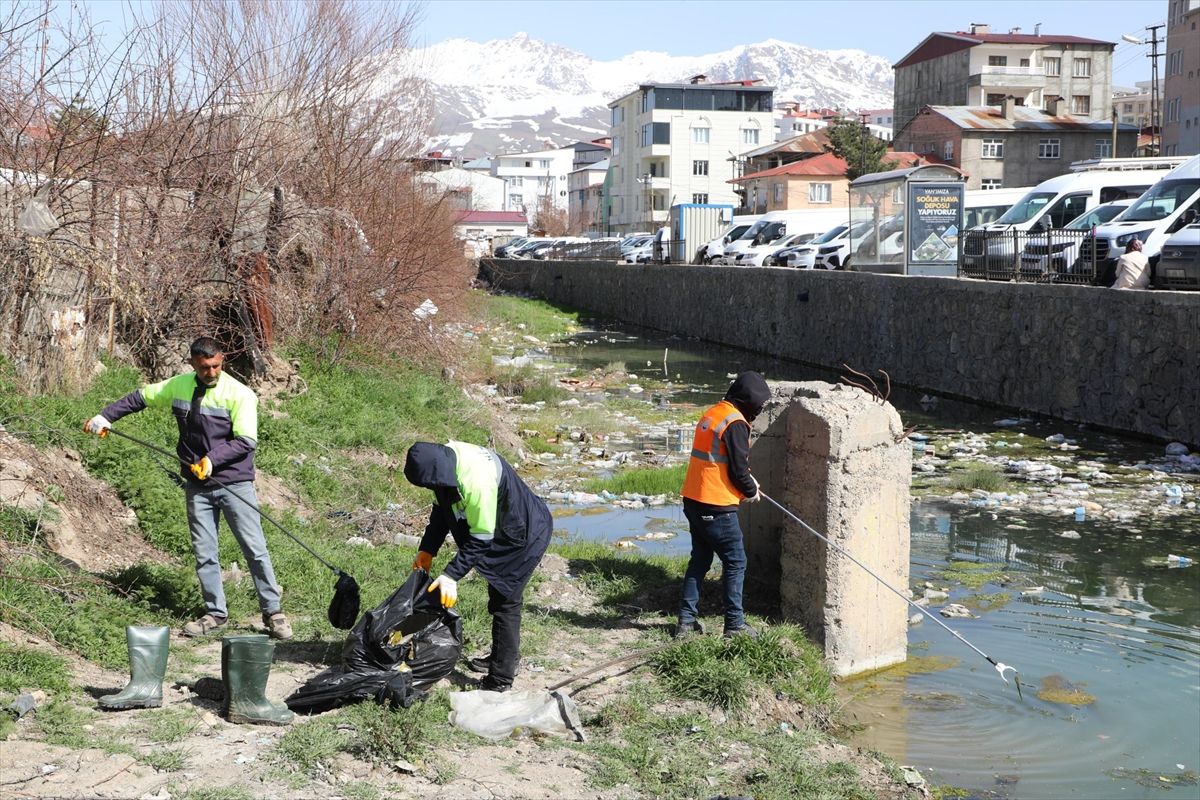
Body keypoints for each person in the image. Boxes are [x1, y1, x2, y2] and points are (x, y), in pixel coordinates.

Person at [84, 337, 292, 640]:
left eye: (217, 366)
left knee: (254, 549)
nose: (211, 372)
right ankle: (215, 613)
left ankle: (273, 613)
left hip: (234, 483)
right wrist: (106, 416)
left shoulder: (241, 394)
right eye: (205, 367)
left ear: (222, 361)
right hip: (197, 485)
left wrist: (211, 460)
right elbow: (140, 398)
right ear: (193, 363)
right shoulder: (179, 385)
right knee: (205, 552)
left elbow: (246, 440)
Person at [404, 440, 551, 692]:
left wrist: (451, 575)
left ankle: (501, 679)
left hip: (524, 535)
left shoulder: (476, 481)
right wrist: (428, 548)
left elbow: (482, 538)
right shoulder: (446, 462)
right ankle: (502, 658)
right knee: (499, 598)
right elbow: (442, 511)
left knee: (505, 601)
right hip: (504, 527)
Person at [675, 371, 771, 639]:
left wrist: (745, 479)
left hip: (694, 499)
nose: (759, 410)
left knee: (700, 560)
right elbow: (738, 472)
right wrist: (750, 490)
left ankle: (685, 623)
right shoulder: (736, 423)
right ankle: (734, 626)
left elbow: (718, 460)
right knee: (736, 562)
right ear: (749, 401)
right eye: (759, 406)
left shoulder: (714, 413)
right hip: (715, 506)